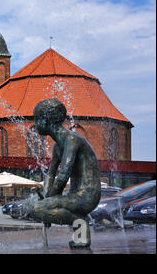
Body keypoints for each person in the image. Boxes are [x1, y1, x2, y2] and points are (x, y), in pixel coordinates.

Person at [22, 98, 101, 247]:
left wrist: (47, 201)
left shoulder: (71, 139)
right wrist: (46, 195)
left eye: (36, 119)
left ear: (45, 120)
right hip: (75, 195)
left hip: (87, 195)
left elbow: (63, 175)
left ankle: (80, 222)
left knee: (37, 208)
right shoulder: (58, 147)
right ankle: (82, 238)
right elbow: (51, 175)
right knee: (36, 207)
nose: (35, 123)